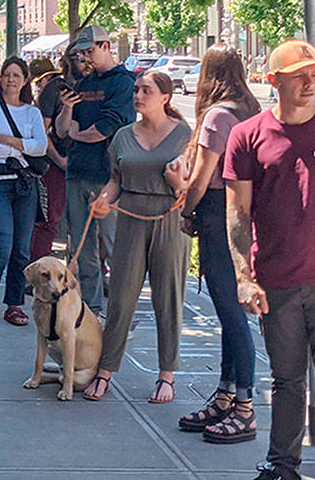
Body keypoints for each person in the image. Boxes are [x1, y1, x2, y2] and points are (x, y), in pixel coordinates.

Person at [225, 40, 315, 480]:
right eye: (299, 74)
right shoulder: (247, 135)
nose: (310, 82)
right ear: (274, 81)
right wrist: (243, 277)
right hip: (277, 280)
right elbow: (237, 211)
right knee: (286, 382)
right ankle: (281, 466)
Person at [169, 45, 262, 442]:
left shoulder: (216, 116)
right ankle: (226, 394)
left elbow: (203, 176)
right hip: (244, 211)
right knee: (229, 312)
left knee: (230, 311)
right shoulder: (250, 109)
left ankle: (244, 405)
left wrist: (185, 207)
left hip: (215, 210)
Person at [82, 70, 191, 404]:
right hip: (130, 215)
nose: (138, 95)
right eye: (136, 90)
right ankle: (106, 369)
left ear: (165, 97)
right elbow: (116, 178)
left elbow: (191, 186)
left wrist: (178, 185)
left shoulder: (185, 134)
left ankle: (166, 374)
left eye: (146, 90)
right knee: (121, 295)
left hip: (170, 217)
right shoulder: (123, 136)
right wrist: (103, 200)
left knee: (168, 296)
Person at [55, 26, 135, 315]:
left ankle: (122, 308)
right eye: (81, 53)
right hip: (78, 171)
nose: (85, 58)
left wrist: (77, 133)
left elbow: (104, 129)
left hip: (108, 176)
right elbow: (63, 129)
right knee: (82, 246)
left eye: (90, 51)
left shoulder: (124, 82)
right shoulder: (84, 84)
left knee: (113, 244)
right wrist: (66, 110)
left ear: (106, 46)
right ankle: (91, 309)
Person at [0, 56, 49, 331]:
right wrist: (20, 149)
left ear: (25, 80)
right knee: (2, 245)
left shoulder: (32, 113)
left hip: (24, 186)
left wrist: (10, 141)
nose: (11, 80)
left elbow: (42, 147)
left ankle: (14, 303)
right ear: (0, 78)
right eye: (7, 74)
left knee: (21, 249)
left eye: (16, 75)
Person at [28, 54, 74, 261]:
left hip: (60, 162)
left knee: (50, 218)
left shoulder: (51, 90)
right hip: (61, 162)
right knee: (52, 218)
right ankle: (39, 263)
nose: (39, 87)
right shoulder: (60, 89)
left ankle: (40, 262)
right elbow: (43, 133)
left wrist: (59, 160)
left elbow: (41, 133)